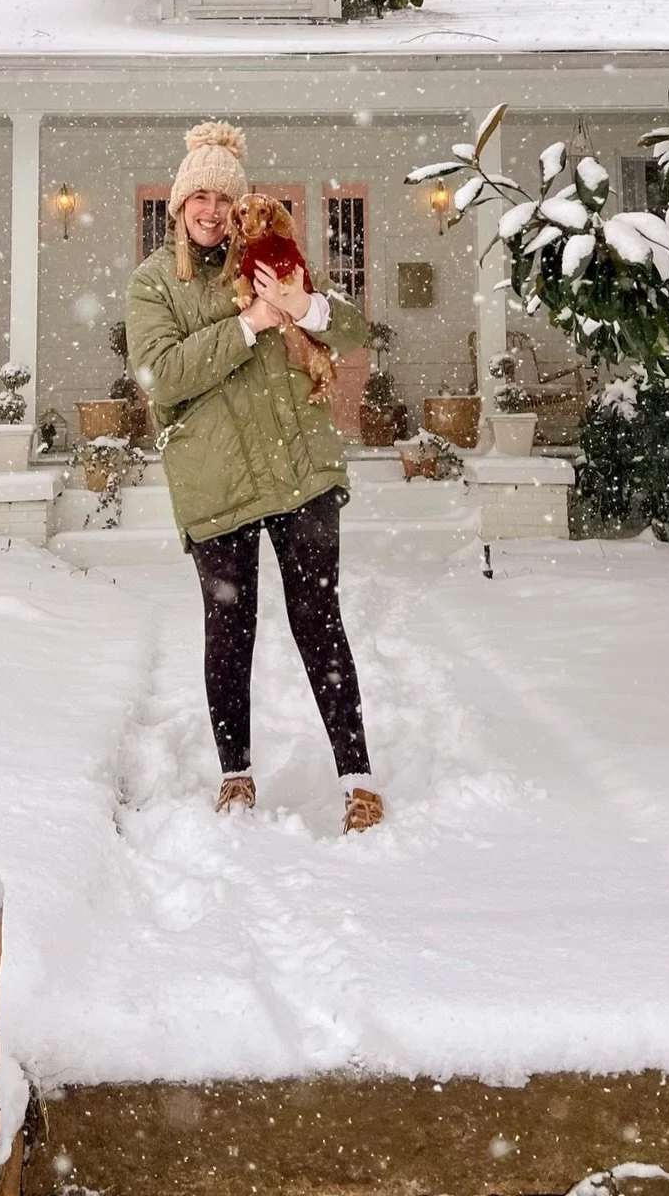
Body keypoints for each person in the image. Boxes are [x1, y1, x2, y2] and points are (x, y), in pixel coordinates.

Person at [125, 121, 385, 833]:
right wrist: (250, 326)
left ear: (241, 207)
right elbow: (161, 375)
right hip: (218, 480)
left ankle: (358, 779)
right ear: (179, 206)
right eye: (197, 197)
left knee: (319, 622)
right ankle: (235, 775)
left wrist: (304, 308)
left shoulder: (279, 261)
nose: (211, 210)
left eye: (223, 198)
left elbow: (357, 333)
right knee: (229, 628)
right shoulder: (153, 285)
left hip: (300, 470)